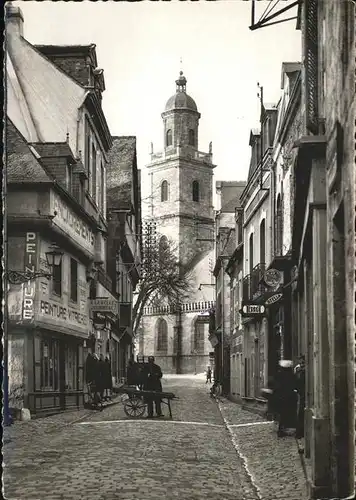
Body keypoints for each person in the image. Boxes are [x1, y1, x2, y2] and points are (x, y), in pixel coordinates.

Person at [274, 360, 298, 437]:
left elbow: (275, 386)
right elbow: (296, 385)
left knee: (282, 414)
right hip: (290, 398)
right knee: (289, 413)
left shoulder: (278, 375)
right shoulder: (292, 376)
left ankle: (281, 429)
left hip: (280, 398)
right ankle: (286, 429)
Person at [294, 355, 306, 439]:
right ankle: (299, 432)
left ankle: (300, 432)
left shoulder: (301, 370)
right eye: (300, 362)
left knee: (301, 413)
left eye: (303, 362)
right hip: (301, 394)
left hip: (304, 393)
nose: (301, 364)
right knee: (300, 413)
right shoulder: (299, 370)